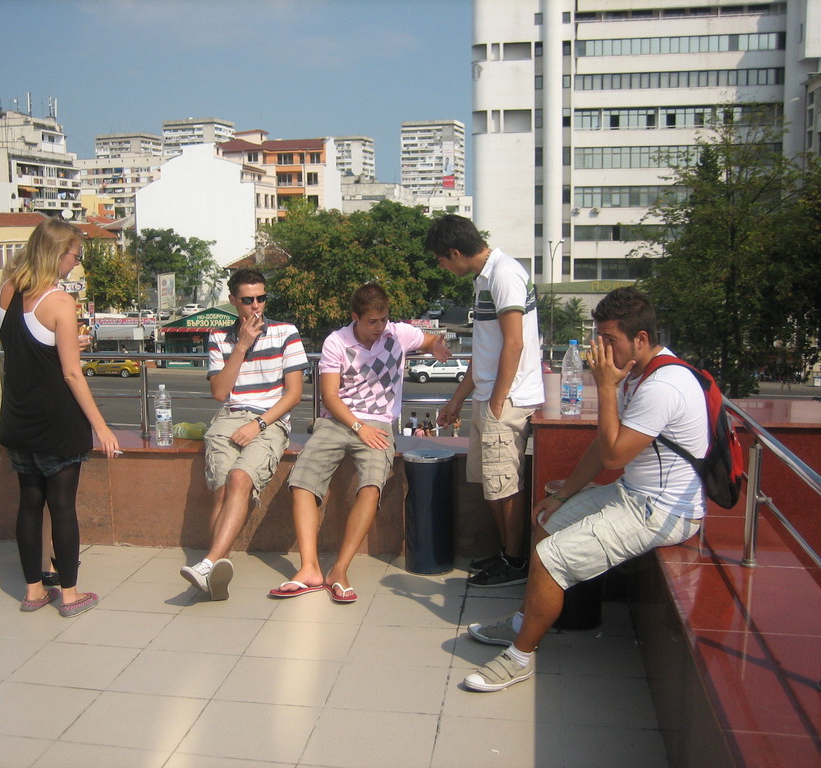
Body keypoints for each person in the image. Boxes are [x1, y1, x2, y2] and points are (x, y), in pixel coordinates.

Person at [463, 287, 707, 691]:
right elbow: (601, 446)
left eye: (609, 339)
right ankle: (522, 622)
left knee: (550, 558)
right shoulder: (638, 374)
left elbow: (613, 455)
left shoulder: (663, 385)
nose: (602, 350)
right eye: (599, 338)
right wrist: (561, 496)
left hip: (663, 512)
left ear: (640, 339)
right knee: (546, 522)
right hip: (634, 494)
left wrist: (605, 387)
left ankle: (519, 658)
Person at [0, 217, 119, 618]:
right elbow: (72, 373)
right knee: (63, 507)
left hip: (17, 418)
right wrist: (101, 426)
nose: (76, 262)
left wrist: (32, 348)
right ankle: (70, 595)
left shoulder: (9, 289)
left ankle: (34, 591)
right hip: (58, 421)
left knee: (29, 504)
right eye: (75, 255)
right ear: (58, 253)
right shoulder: (59, 302)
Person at [272, 283, 451, 602]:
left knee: (371, 486)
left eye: (384, 319)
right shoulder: (336, 341)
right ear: (355, 317)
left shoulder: (398, 334)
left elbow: (429, 340)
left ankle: (339, 571)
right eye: (372, 321)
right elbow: (329, 395)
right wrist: (357, 426)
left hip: (379, 423)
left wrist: (436, 345)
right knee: (301, 481)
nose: (379, 327)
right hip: (338, 419)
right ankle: (309, 568)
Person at [427, 215, 544, 587]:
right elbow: (486, 352)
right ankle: (506, 551)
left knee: (505, 485)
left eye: (442, 260)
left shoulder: (504, 274)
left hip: (506, 399)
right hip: (489, 396)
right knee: (492, 484)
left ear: (455, 252)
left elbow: (514, 343)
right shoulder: (485, 279)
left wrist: (497, 401)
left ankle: (515, 561)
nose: (442, 267)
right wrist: (457, 400)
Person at [180, 268, 309, 600]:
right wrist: (242, 346)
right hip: (229, 416)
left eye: (261, 298)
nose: (256, 306)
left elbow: (294, 394)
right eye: (248, 300)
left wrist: (259, 424)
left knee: (240, 478)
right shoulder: (219, 337)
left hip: (270, 421)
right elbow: (220, 392)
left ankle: (208, 562)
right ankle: (213, 575)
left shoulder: (285, 333)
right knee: (223, 490)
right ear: (233, 301)